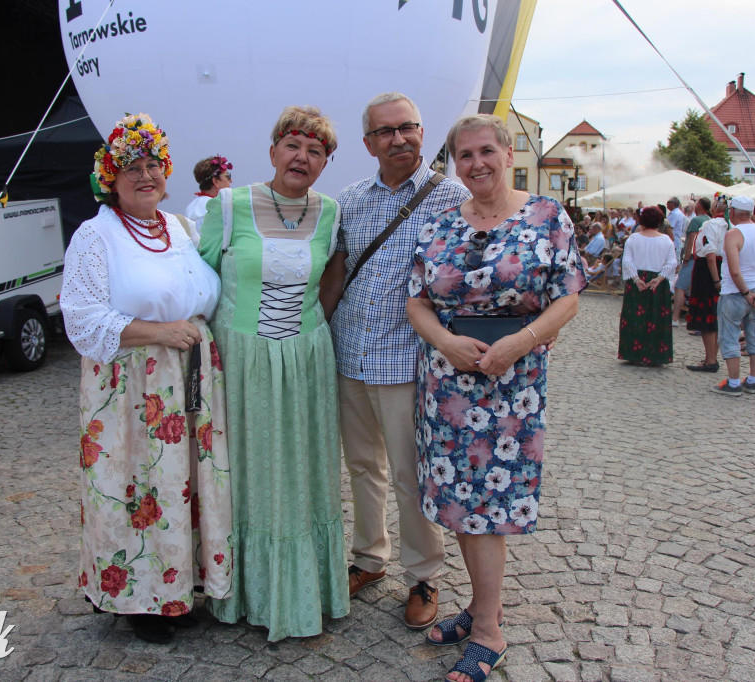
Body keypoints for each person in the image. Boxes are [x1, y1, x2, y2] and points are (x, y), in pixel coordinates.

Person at [406, 114, 586, 682]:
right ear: (454, 164)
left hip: (512, 384)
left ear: (509, 154)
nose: (477, 163)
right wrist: (446, 343)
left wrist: (519, 342)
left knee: (488, 506)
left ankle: (489, 632)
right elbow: (417, 301)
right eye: (465, 155)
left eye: (487, 150)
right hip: (449, 383)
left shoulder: (545, 215)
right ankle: (484, 608)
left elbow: (569, 295)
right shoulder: (438, 224)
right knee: (460, 502)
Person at [61, 113, 232, 644]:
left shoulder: (180, 227)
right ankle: (140, 598)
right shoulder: (96, 235)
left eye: (153, 164)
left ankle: (181, 586)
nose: (145, 176)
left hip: (190, 376)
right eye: (130, 168)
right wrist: (160, 331)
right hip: (131, 386)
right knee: (138, 486)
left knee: (181, 484)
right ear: (109, 178)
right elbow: (81, 317)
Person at [199, 105, 349, 640]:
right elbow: (199, 282)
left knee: (304, 470)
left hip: (305, 357)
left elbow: (333, 278)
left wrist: (315, 327)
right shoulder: (229, 205)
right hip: (243, 359)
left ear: (325, 162)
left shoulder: (330, 212)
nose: (302, 158)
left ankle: (307, 588)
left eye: (315, 151)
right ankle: (242, 590)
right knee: (246, 470)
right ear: (271, 151)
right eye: (293, 146)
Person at [322, 92, 468, 630]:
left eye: (408, 127)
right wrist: (315, 332)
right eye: (386, 131)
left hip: (407, 362)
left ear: (423, 133)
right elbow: (336, 274)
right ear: (368, 143)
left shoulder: (450, 198)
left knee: (410, 474)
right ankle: (369, 558)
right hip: (350, 356)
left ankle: (424, 575)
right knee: (362, 467)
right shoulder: (351, 199)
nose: (399, 138)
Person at [711, 195, 755, 396]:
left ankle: (732, 383)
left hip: (734, 292)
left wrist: (747, 293)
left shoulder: (734, 234)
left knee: (729, 337)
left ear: (732, 212)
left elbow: (735, 270)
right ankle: (753, 380)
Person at [618, 206, 678, 366]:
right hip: (657, 280)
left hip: (638, 279)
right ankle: (655, 353)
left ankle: (633, 352)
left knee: (635, 317)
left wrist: (636, 279)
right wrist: (659, 278)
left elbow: (627, 261)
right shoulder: (666, 240)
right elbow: (672, 262)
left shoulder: (633, 238)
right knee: (656, 316)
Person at [686, 198, 729, 372]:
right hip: (720, 268)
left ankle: (710, 359)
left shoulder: (712, 225)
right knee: (715, 315)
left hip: (708, 271)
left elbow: (710, 255)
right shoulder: (728, 226)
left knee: (707, 316)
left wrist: (716, 280)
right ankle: (711, 357)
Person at [674, 198, 710, 327]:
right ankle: (692, 317)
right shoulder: (709, 220)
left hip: (693, 258)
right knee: (694, 289)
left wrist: (686, 257)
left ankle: (675, 317)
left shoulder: (696, 220)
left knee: (680, 287)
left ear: (699, 206)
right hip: (704, 258)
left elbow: (692, 239)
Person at [184, 155, 233, 233]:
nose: (231, 180)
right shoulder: (216, 208)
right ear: (216, 181)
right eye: (228, 176)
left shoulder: (192, 207)